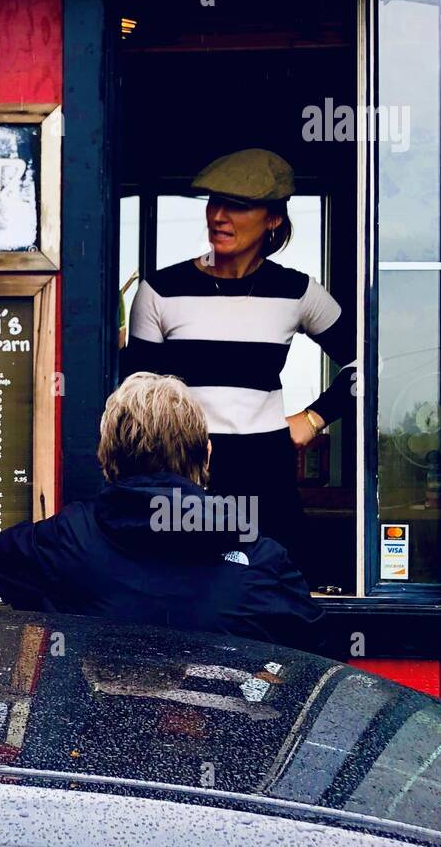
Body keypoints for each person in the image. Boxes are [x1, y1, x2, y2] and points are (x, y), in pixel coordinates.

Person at [122, 148, 355, 586]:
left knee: (277, 593)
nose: (219, 216)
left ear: (273, 220)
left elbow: (368, 366)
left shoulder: (297, 291)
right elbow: (137, 400)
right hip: (182, 476)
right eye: (215, 202)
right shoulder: (159, 290)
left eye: (239, 205)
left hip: (267, 474)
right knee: (185, 597)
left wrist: (313, 418)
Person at [0, 373, 323, 650]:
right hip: (216, 729)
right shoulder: (261, 560)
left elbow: (3, 561)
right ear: (206, 455)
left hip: (93, 727)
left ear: (105, 457)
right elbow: (315, 653)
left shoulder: (63, 541)